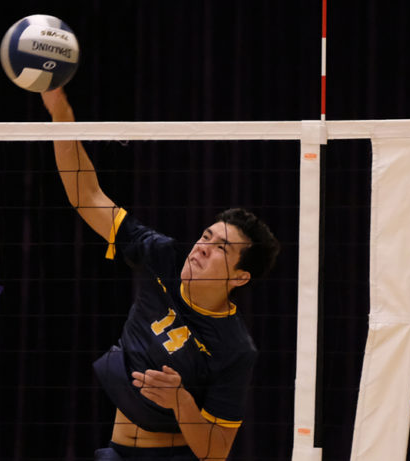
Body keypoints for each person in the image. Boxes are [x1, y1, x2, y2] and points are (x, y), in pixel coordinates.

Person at [41, 88, 280, 461]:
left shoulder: (234, 348)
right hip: (117, 451)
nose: (202, 246)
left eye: (221, 249)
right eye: (206, 235)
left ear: (240, 277)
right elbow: (85, 193)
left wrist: (181, 401)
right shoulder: (162, 256)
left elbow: (216, 452)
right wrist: (59, 110)